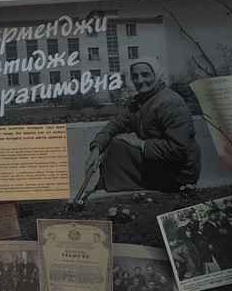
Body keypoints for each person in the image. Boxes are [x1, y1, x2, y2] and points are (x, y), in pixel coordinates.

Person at [84, 57, 200, 193]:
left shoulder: (171, 103)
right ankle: (105, 189)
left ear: (157, 75)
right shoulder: (142, 101)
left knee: (117, 148)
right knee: (115, 144)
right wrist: (96, 149)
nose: (139, 80)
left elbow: (177, 149)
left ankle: (105, 191)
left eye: (145, 75)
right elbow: (114, 125)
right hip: (160, 163)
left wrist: (141, 144)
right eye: (135, 76)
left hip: (179, 172)